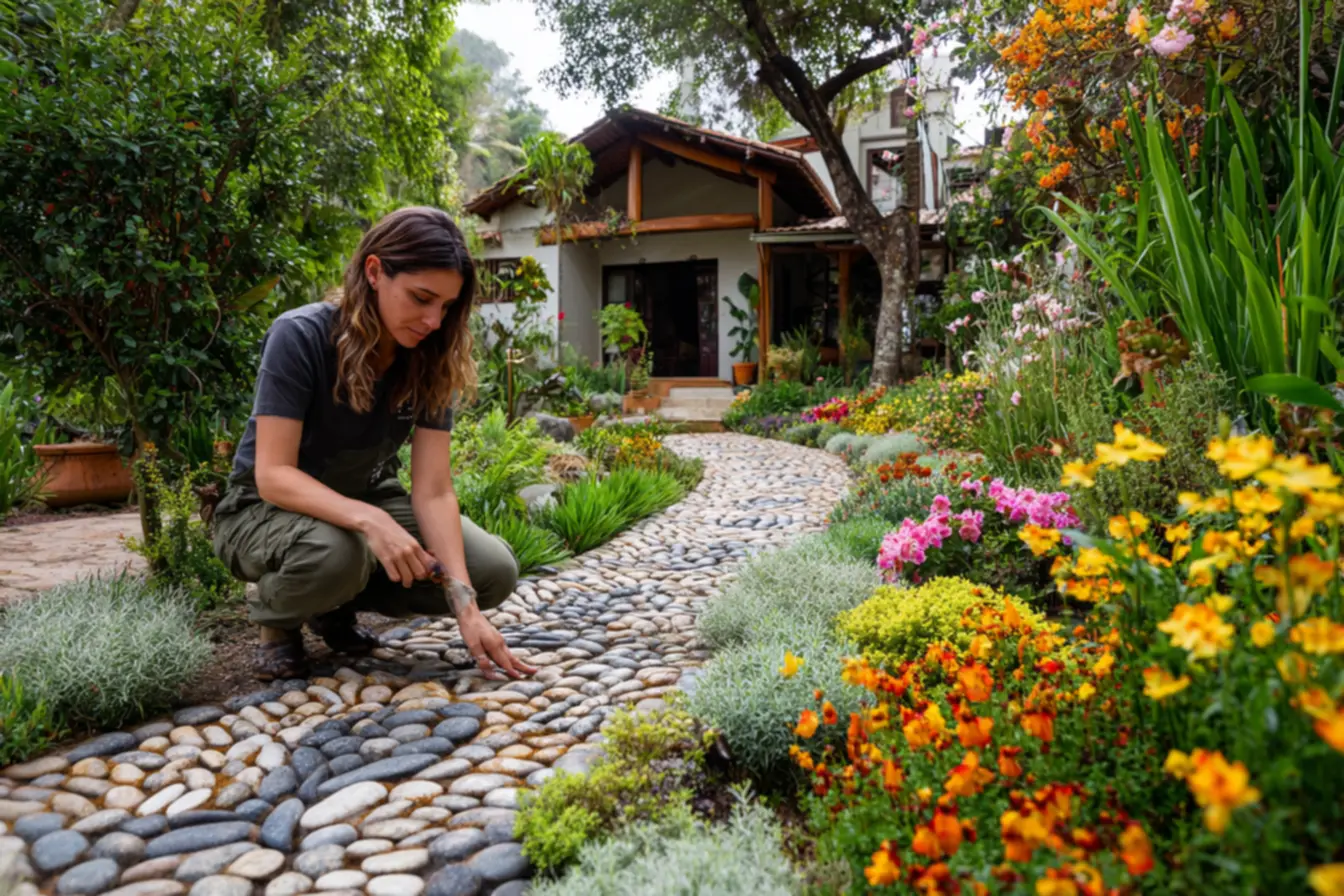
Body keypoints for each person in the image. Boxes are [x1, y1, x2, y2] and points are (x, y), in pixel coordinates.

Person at [212, 206, 537, 683]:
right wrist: (372, 519)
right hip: (263, 509)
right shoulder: (300, 336)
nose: (432, 320)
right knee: (336, 554)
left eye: (445, 306)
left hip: (362, 503)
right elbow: (272, 475)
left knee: (492, 571)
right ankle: (275, 619)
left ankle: (333, 603)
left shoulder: (431, 357)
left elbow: (433, 490)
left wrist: (464, 603)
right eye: (421, 298)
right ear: (374, 271)